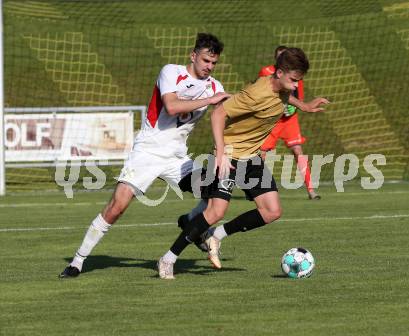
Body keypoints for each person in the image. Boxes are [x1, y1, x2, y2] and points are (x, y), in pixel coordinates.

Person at [59, 33, 230, 278]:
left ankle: (190, 220)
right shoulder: (171, 72)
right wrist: (211, 99)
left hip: (177, 158)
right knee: (117, 207)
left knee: (215, 191)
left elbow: (226, 110)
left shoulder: (215, 86)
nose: (209, 67)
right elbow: (171, 106)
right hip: (147, 152)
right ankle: (77, 261)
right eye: (205, 61)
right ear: (193, 56)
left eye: (213, 63)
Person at [157, 47, 329, 279]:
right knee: (216, 210)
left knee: (272, 211)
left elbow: (285, 96)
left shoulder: (281, 88)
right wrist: (220, 152)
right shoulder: (256, 94)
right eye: (293, 80)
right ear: (279, 73)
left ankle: (215, 235)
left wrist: (305, 106)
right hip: (229, 155)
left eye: (298, 81)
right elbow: (218, 114)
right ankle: (168, 259)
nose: (296, 85)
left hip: (251, 157)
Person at [259, 45, 320, 200]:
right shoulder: (266, 72)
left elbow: (298, 94)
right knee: (261, 154)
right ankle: (259, 189)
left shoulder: (295, 74)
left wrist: (295, 108)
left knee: (298, 151)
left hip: (289, 120)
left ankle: (311, 190)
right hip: (273, 119)